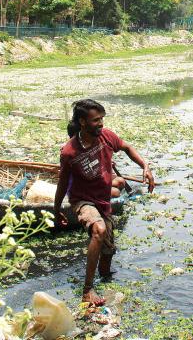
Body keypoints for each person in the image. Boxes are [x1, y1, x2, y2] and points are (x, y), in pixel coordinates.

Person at [54, 99, 155, 306]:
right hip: (82, 200)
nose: (100, 124)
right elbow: (62, 183)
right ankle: (87, 291)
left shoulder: (106, 137)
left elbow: (126, 147)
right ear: (82, 122)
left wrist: (145, 165)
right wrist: (57, 210)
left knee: (107, 256)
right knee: (98, 230)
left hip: (103, 200)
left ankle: (105, 280)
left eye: (102, 119)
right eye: (95, 120)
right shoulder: (69, 152)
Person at [67, 120, 125, 198]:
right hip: (83, 188)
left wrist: (106, 162)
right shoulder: (71, 153)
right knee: (115, 192)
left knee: (120, 181)